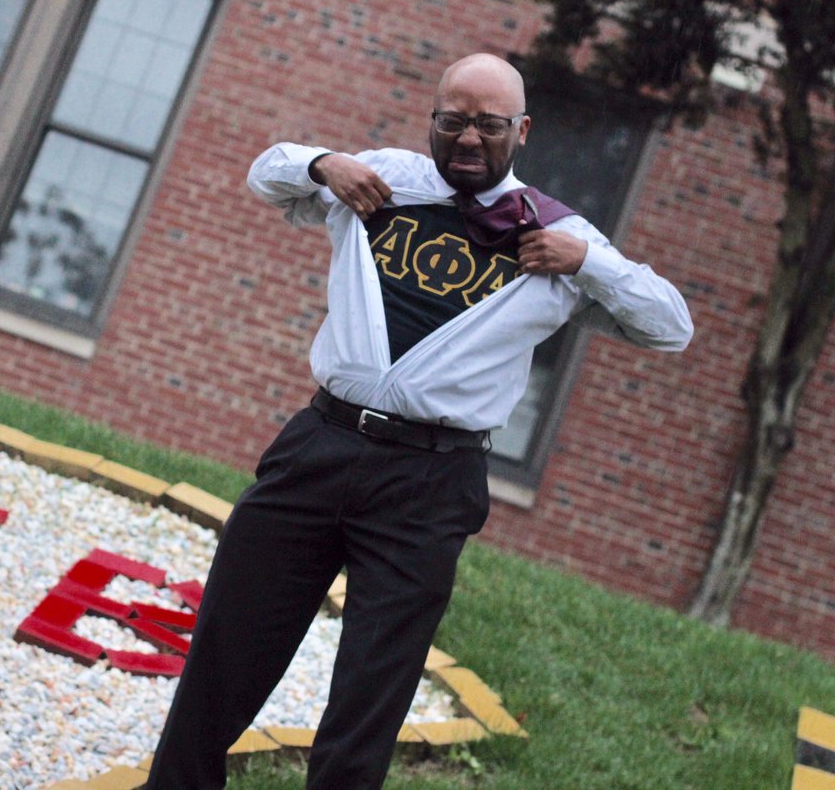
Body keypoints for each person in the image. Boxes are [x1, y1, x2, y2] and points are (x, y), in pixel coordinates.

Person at [145, 53, 693, 790]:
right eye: (453, 120)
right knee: (226, 651)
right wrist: (323, 163)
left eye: (489, 125)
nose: (469, 138)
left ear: (522, 130)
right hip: (321, 444)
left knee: (370, 697)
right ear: (432, 120)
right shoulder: (381, 178)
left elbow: (671, 327)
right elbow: (265, 173)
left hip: (430, 481)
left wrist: (589, 261)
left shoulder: (559, 235)